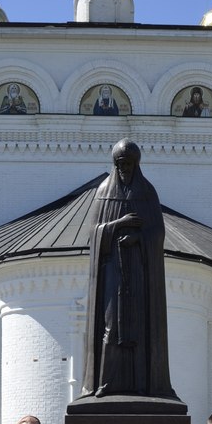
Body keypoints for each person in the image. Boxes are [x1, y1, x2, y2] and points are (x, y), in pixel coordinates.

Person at [81, 140, 176, 400]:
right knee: (111, 325)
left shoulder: (147, 192)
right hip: (113, 271)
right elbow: (95, 233)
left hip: (140, 273)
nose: (124, 169)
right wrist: (119, 224)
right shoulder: (103, 191)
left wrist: (139, 239)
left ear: (136, 164)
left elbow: (157, 232)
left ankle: (143, 384)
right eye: (120, 164)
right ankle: (106, 381)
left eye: (129, 164)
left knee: (139, 327)